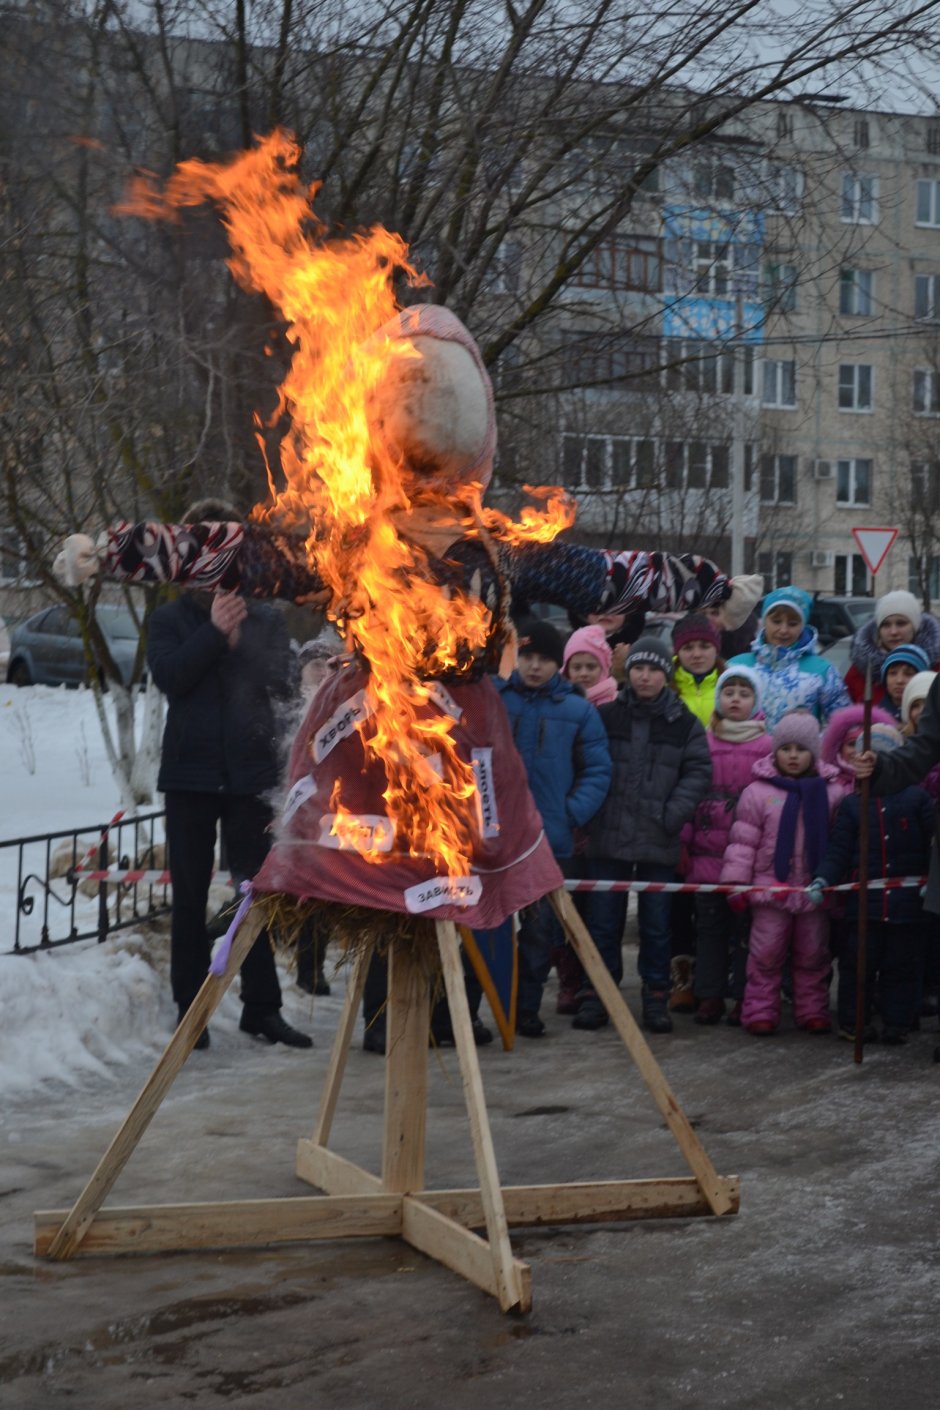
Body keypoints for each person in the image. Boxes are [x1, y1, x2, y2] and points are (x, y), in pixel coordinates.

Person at [147, 497, 312, 1051]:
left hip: (248, 778)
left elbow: (286, 682)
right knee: (191, 897)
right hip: (190, 780)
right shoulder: (171, 616)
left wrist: (240, 641)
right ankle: (190, 1015)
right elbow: (170, 676)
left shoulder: (264, 613)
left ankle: (262, 1009)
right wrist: (214, 633)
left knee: (252, 893)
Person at [585, 634, 712, 1034]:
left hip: (659, 839)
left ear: (666, 674)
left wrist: (671, 814)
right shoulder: (606, 717)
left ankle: (655, 996)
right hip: (609, 836)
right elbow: (588, 763)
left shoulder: (684, 723)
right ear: (628, 672)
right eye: (638, 668)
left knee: (657, 925)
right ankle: (599, 996)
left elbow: (698, 772)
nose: (644, 676)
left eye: (654, 669)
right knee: (604, 921)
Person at [495, 618, 611, 1036]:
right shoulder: (495, 699)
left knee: (540, 932)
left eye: (544, 659)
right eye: (527, 656)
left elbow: (598, 770)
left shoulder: (577, 710)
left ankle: (525, 1009)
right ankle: (476, 1008)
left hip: (548, 839)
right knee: (487, 928)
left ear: (557, 664)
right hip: (493, 837)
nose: (534, 666)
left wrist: (569, 813)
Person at [809, 722, 933, 1045]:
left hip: (907, 907)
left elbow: (933, 845)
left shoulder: (917, 800)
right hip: (864, 909)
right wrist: (823, 878)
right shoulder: (853, 804)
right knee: (858, 966)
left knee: (901, 966)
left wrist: (932, 879)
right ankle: (854, 1021)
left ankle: (897, 1022)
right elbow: (838, 850)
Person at [720, 711, 842, 1036]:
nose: (792, 755)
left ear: (813, 753)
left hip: (813, 890)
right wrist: (735, 883)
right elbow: (743, 841)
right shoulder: (757, 792)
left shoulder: (833, 793)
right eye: (785, 748)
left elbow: (839, 843)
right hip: (769, 889)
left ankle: (812, 1009)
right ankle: (760, 1010)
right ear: (775, 751)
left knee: (813, 953)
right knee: (766, 953)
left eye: (800, 749)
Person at [680, 665, 771, 1025]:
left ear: (756, 701)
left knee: (747, 932)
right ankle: (710, 994)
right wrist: (685, 841)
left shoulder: (768, 745)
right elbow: (690, 791)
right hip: (707, 855)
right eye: (729, 692)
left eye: (744, 693)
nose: (735, 699)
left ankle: (743, 997)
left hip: (750, 859)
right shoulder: (704, 740)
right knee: (710, 930)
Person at [667, 611, 726, 1009]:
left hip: (721, 806)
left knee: (716, 902)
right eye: (689, 647)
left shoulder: (732, 684)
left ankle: (714, 977)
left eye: (704, 646)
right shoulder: (667, 688)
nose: (698, 653)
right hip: (676, 800)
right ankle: (681, 977)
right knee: (676, 898)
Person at [727, 586, 850, 730]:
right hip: (743, 752)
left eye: (792, 624)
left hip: (797, 752)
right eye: (776, 621)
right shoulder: (737, 666)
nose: (783, 630)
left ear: (803, 625)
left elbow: (842, 727)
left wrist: (815, 742)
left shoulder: (822, 672)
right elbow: (716, 719)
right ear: (764, 620)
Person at [844, 589, 940, 705]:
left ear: (916, 627)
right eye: (886, 625)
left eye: (901, 623)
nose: (893, 632)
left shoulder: (935, 668)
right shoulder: (861, 670)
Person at [878, 643, 931, 721]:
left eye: (909, 674)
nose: (899, 680)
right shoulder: (874, 717)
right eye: (893, 673)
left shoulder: (933, 717)